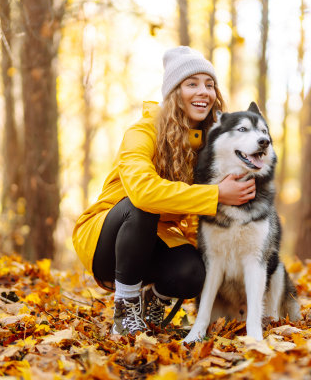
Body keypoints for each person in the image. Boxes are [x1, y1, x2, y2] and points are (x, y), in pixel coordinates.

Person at [72, 46, 256, 336]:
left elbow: (200, 221)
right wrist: (216, 194)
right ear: (174, 93)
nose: (203, 92)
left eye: (209, 85)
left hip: (158, 237)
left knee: (197, 268)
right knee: (143, 206)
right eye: (191, 84)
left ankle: (153, 302)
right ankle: (125, 310)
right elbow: (143, 194)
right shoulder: (142, 132)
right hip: (106, 238)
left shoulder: (208, 145)